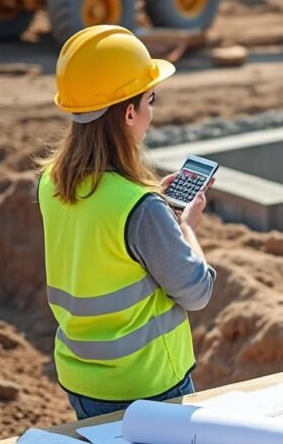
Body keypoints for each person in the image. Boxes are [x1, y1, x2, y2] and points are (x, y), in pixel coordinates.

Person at [38, 25, 215, 419]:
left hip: (81, 382)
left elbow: (104, 251)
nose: (151, 113)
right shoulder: (142, 208)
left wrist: (154, 211)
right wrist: (186, 228)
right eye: (150, 100)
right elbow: (196, 291)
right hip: (148, 386)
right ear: (130, 112)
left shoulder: (50, 182)